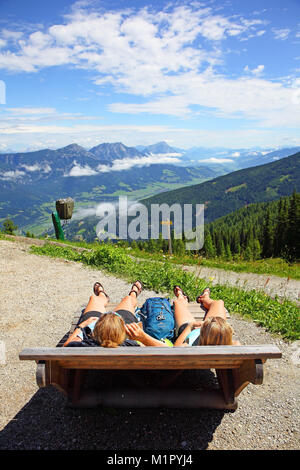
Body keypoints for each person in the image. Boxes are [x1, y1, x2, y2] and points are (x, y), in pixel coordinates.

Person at [63, 280, 170, 348]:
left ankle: (102, 295)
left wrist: (82, 326)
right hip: (117, 329)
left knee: (93, 300)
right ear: (124, 335)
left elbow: (65, 348)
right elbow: (168, 352)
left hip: (88, 381)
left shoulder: (85, 346)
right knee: (128, 300)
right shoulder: (131, 347)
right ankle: (133, 293)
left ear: (94, 333)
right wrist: (142, 337)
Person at [172, 286, 241, 346]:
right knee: (219, 302)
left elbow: (175, 349)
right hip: (216, 330)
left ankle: (181, 297)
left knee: (178, 303)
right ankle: (204, 298)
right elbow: (236, 344)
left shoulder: (190, 345)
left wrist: (190, 326)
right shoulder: (233, 347)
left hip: (190, 330)